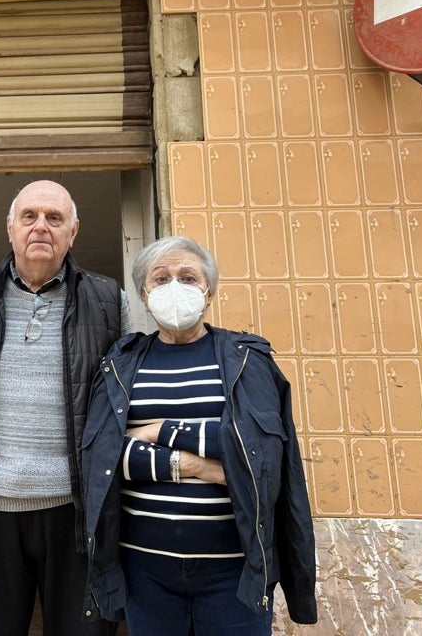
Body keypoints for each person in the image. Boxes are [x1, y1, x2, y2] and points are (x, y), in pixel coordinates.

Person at [82, 235, 318, 635]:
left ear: (208, 292)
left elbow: (259, 452)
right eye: (161, 278)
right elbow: (103, 456)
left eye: (188, 277)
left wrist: (159, 430)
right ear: (143, 293)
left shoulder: (248, 359)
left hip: (235, 572)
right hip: (145, 571)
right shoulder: (118, 365)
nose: (174, 287)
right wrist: (198, 466)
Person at [0, 179, 133, 636]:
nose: (40, 226)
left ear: (73, 232)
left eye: (54, 218)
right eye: (29, 216)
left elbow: (122, 399)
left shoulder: (108, 300)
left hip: (78, 512)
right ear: (10, 228)